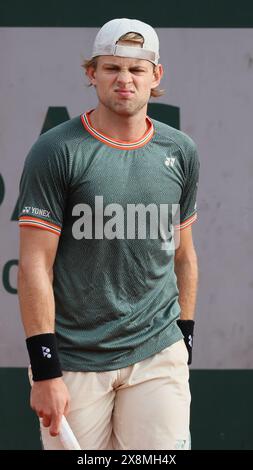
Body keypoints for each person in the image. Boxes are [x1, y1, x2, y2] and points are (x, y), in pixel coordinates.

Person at [18, 18, 199, 450]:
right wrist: (45, 371)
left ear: (155, 75)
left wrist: (183, 344)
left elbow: (185, 255)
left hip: (158, 352)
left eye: (137, 70)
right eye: (112, 68)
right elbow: (34, 265)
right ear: (91, 73)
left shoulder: (181, 152)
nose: (124, 79)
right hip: (75, 360)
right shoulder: (56, 150)